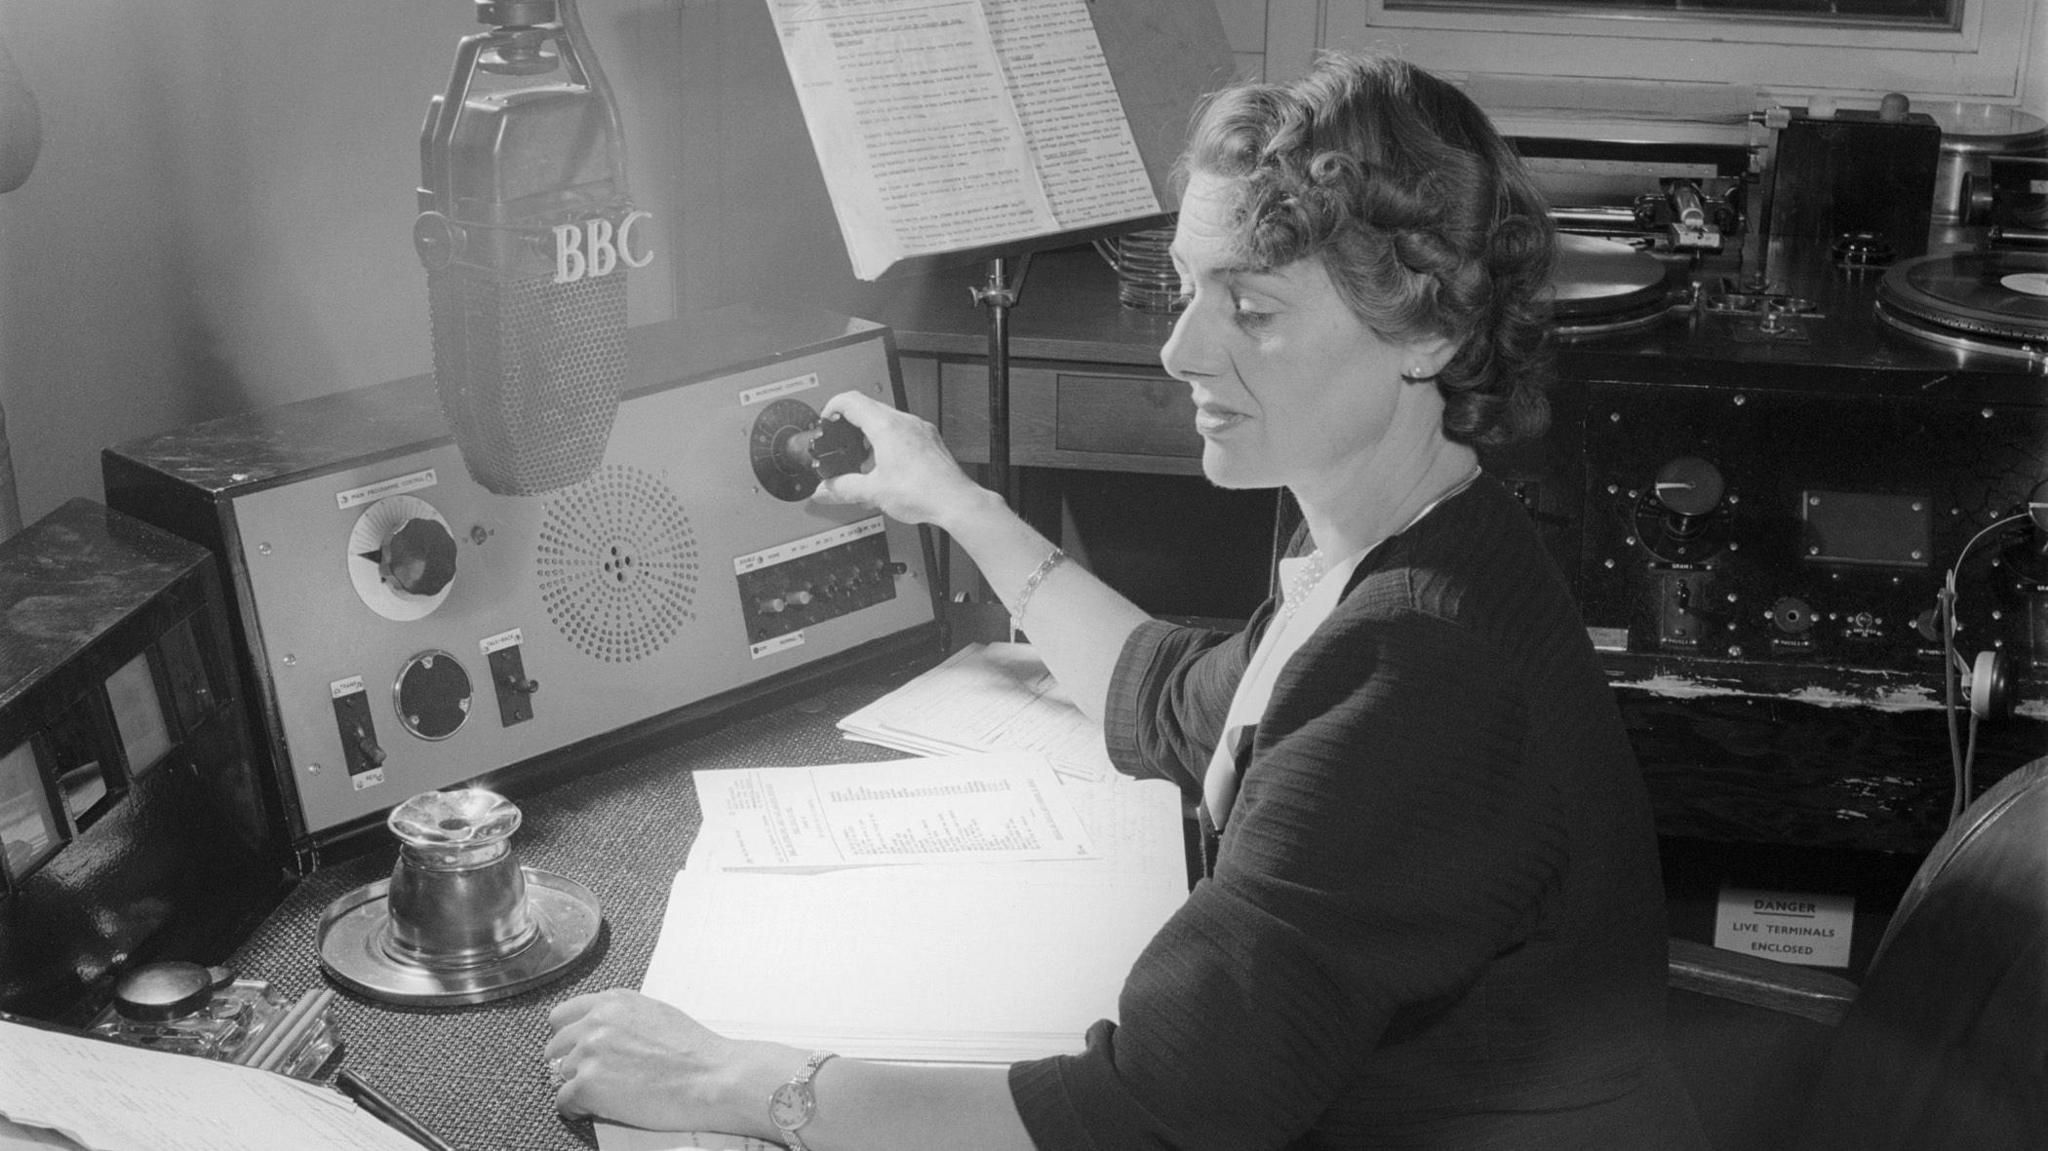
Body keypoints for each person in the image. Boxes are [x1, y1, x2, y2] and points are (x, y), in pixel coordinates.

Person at [546, 51, 1707, 1149]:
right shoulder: (1406, 541)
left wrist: (737, 1081)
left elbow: (1143, 1116)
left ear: (1431, 331)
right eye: (1185, 288)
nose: (1179, 352)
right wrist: (954, 502)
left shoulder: (1416, 669)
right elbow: (1171, 700)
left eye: (1250, 311)